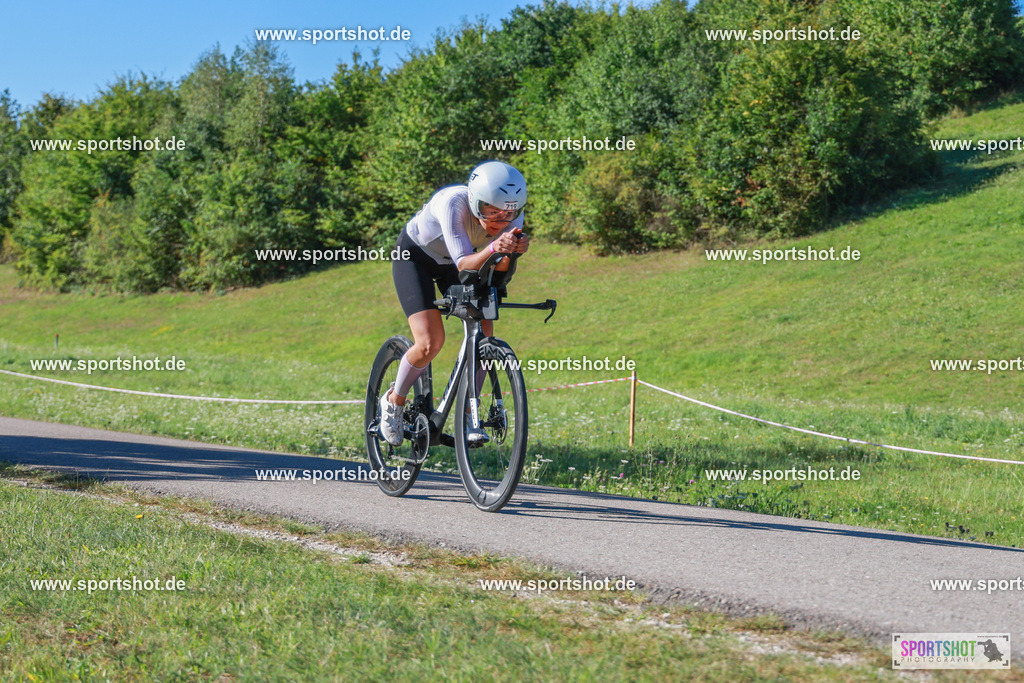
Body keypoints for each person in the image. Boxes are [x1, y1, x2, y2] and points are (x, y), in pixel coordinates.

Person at [379, 161, 530, 447]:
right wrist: (495, 247)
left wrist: (513, 253)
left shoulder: (512, 217)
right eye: (491, 211)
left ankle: (468, 411)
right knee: (430, 342)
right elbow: (464, 265)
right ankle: (393, 402)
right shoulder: (453, 204)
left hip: (462, 260)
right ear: (474, 202)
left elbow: (497, 272)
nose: (500, 220)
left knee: (485, 329)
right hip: (417, 258)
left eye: (509, 213)